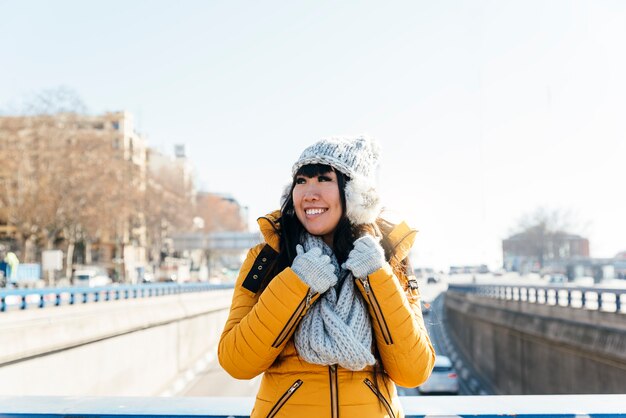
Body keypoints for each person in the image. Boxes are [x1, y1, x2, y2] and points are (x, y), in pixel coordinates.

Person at [218, 137, 435, 418]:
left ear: (354, 193)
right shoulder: (268, 258)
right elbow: (237, 362)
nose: (309, 193)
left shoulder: (390, 258)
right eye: (301, 181)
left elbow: (414, 372)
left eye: (323, 179)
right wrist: (298, 282)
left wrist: (376, 276)